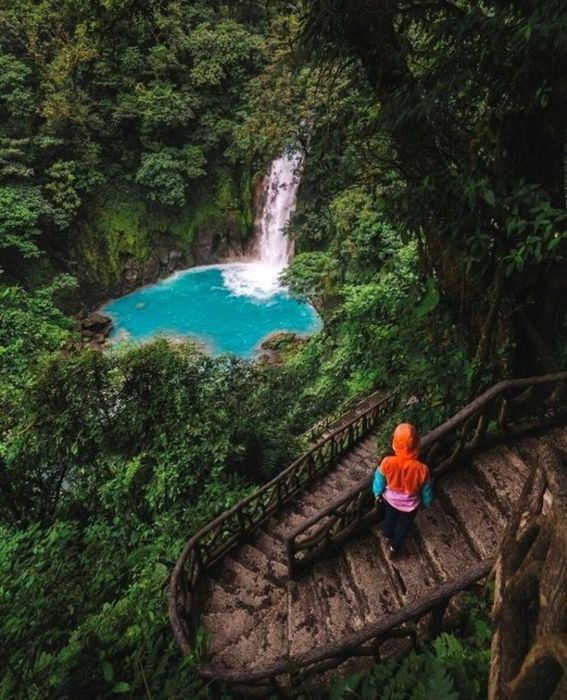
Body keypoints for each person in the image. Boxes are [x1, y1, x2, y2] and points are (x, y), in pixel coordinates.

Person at [372, 423, 432, 557]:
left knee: (389, 519)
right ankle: (395, 546)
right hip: (410, 505)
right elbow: (426, 490)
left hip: (391, 501)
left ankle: (387, 535)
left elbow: (379, 481)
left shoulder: (387, 462)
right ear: (417, 446)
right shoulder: (422, 469)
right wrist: (427, 503)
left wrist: (377, 493)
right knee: (404, 526)